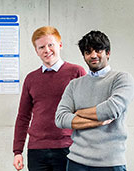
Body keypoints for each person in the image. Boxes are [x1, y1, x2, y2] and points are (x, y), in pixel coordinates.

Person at [55, 30, 134, 171]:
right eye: (88, 52)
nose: (93, 55)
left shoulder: (122, 79)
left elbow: (110, 110)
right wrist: (98, 120)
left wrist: (78, 112)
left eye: (98, 50)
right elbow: (60, 118)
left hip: (110, 163)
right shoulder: (74, 85)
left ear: (108, 53)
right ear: (84, 56)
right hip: (76, 162)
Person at [13, 26, 86, 171]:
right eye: (41, 47)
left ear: (60, 45)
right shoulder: (31, 78)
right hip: (36, 150)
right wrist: (17, 151)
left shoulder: (76, 72)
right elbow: (23, 117)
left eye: (50, 44)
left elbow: (86, 110)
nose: (46, 50)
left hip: (68, 147)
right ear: (36, 51)